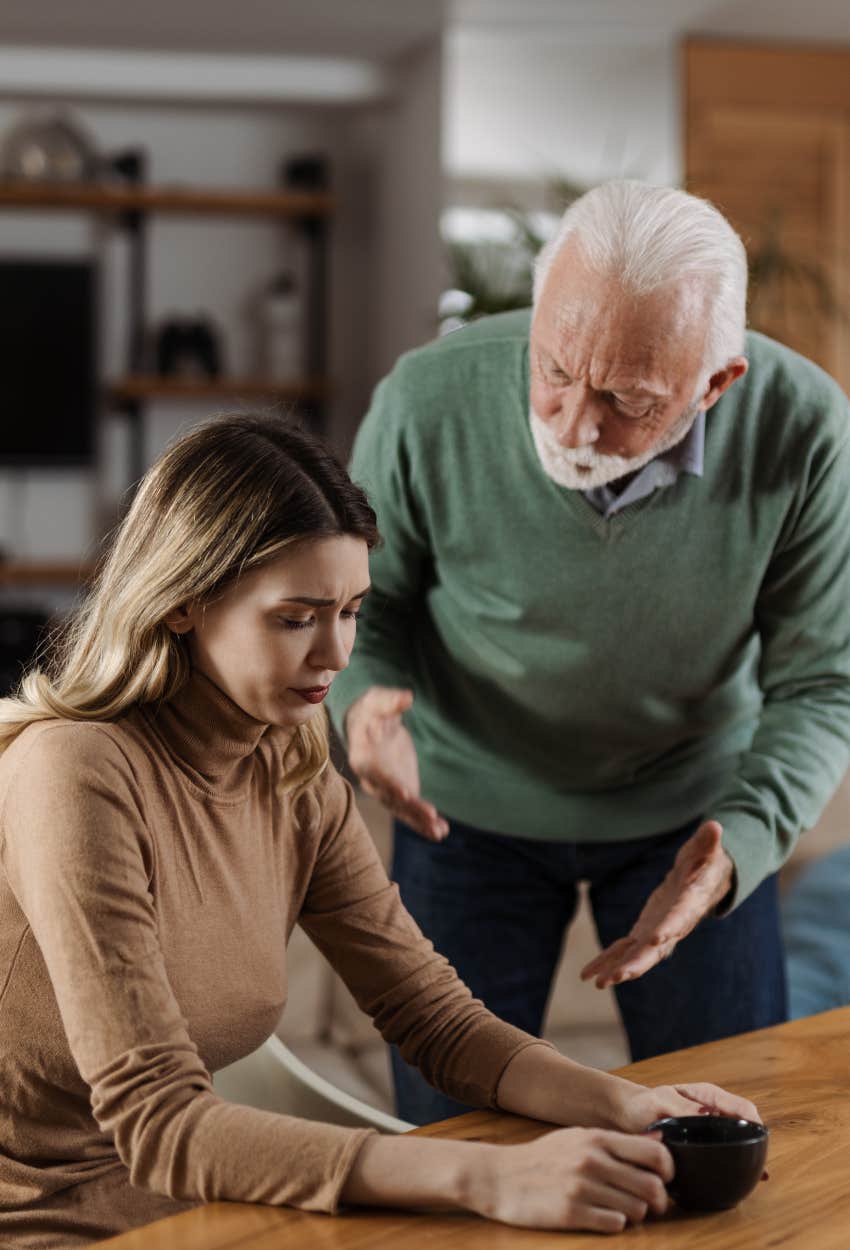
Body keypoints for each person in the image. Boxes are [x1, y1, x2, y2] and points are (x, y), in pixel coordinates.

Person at [0, 413, 758, 1247]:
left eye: (352, 611)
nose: (336, 653)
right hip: (48, 1222)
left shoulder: (289, 766)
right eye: (296, 618)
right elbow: (159, 1124)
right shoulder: (73, 769)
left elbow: (430, 1015)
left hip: (210, 1212)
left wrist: (629, 1105)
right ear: (183, 601)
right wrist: (484, 1176)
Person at [328, 180, 850, 1125]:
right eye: (555, 370)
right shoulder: (425, 398)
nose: (572, 426)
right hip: (463, 810)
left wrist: (743, 845)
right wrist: (361, 701)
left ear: (716, 383)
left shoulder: (805, 428)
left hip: (691, 813)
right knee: (452, 1134)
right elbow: (366, 601)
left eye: (627, 399)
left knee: (731, 1128)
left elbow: (823, 684)